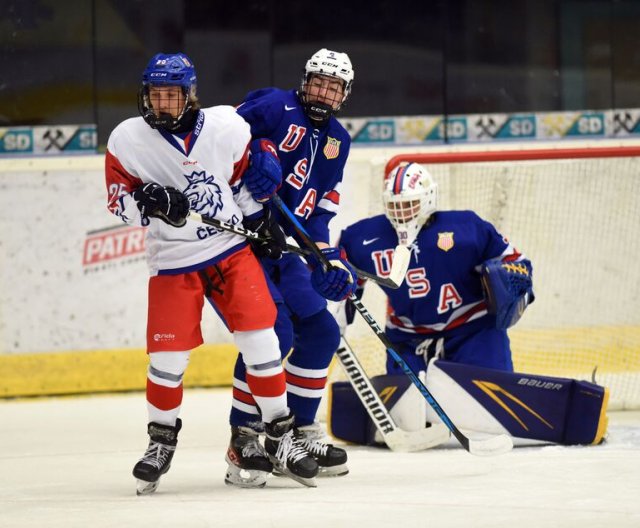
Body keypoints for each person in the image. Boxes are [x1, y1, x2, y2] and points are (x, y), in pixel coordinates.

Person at [104, 52, 319, 494]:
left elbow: (241, 181)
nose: (162, 103)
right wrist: (148, 201)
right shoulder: (127, 139)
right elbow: (116, 203)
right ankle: (160, 442)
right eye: (155, 94)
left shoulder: (223, 127)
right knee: (167, 361)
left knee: (263, 339)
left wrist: (259, 222)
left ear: (190, 95)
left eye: (172, 94)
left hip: (228, 251)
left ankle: (279, 434)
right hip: (173, 260)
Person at [329, 163, 607, 448]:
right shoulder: (361, 238)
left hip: (473, 331)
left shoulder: (467, 228)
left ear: (428, 200)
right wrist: (334, 320)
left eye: (410, 204)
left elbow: (517, 263)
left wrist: (511, 283)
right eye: (394, 206)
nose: (402, 213)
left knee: (495, 412)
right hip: (408, 339)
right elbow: (341, 283)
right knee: (409, 420)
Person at [227, 48, 357, 482]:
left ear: (344, 94)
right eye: (318, 81)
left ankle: (300, 429)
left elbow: (318, 210)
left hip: (284, 246)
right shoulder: (273, 105)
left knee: (322, 330)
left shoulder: (339, 139)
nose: (323, 91)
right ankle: (243, 436)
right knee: (275, 331)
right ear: (305, 80)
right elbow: (215, 139)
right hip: (241, 238)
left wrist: (325, 257)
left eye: (333, 86)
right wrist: (256, 152)